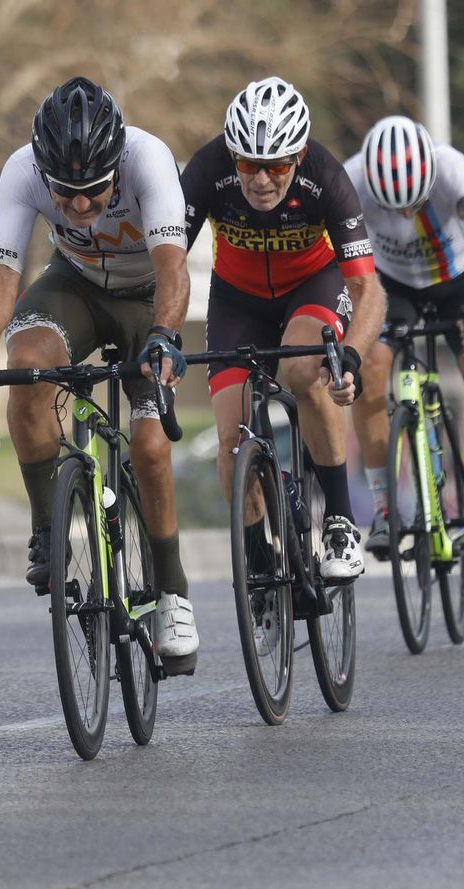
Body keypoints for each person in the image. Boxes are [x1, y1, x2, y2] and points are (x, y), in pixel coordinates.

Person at [0, 76, 199, 674]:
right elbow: (4, 268)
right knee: (26, 369)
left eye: (95, 190)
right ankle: (47, 527)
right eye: (66, 193)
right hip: (73, 283)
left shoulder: (149, 159)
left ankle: (173, 594)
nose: (79, 206)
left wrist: (164, 335)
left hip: (145, 296)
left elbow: (173, 267)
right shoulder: (21, 169)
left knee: (151, 444)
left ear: (117, 163)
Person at [180, 76, 385, 580]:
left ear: (297, 158)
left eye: (275, 166)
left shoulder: (327, 177)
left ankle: (338, 520)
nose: (261, 180)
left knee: (301, 371)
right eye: (249, 165)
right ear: (233, 155)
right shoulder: (207, 170)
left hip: (310, 287)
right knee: (231, 439)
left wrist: (352, 356)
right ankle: (257, 565)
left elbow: (369, 292)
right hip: (236, 300)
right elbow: (164, 266)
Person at [344, 115, 464, 558]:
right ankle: (383, 508)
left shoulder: (452, 168)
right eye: (391, 206)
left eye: (413, 204)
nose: (402, 214)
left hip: (459, 280)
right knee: (368, 369)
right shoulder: (351, 180)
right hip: (392, 287)